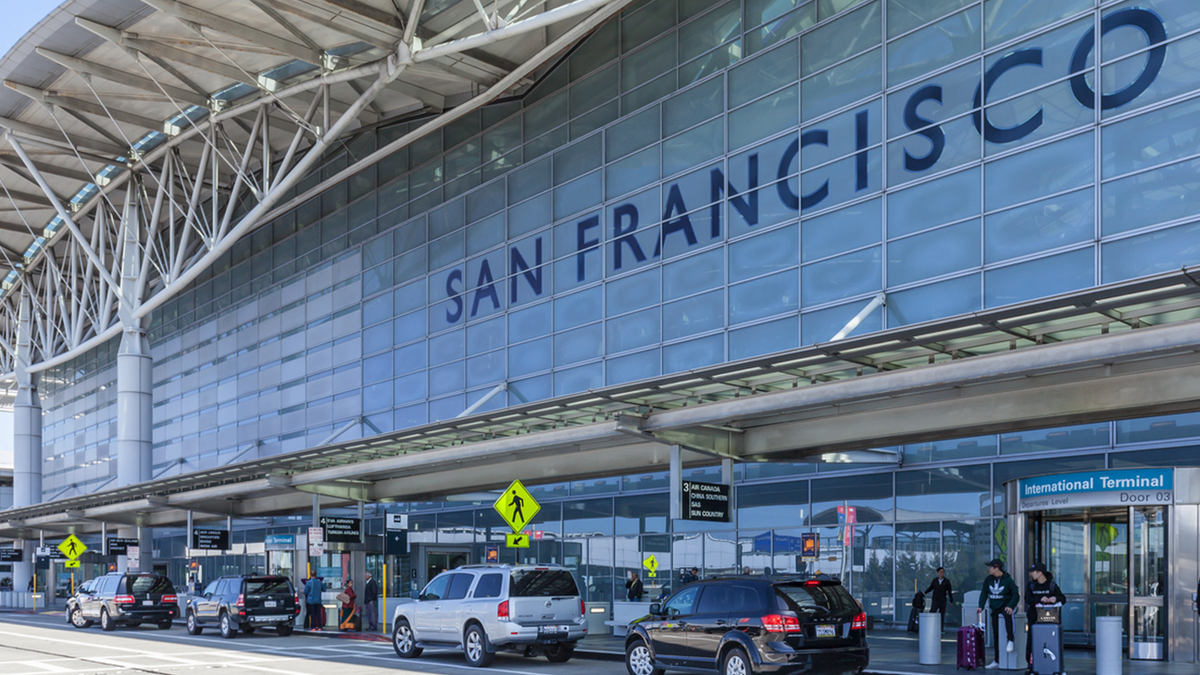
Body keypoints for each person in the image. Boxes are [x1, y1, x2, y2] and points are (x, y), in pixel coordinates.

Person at [976, 559, 1019, 670]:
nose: (988, 569)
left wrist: (1011, 605)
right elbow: (984, 592)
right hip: (994, 608)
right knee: (996, 634)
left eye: (990, 567)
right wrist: (981, 605)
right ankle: (997, 660)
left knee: (1008, 616)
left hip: (1005, 606)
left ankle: (1010, 639)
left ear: (996, 568)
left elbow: (1015, 594)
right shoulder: (988, 580)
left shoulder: (1008, 580)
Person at [1025, 563, 1065, 673]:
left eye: (1034, 572)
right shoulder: (1031, 586)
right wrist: (1040, 599)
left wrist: (1054, 598)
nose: (1032, 574)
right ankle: (1031, 664)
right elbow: (1028, 599)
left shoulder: (1052, 586)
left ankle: (1054, 665)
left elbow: (1063, 599)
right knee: (1031, 641)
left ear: (1040, 573)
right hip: (1034, 619)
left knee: (1051, 641)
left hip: (1050, 620)